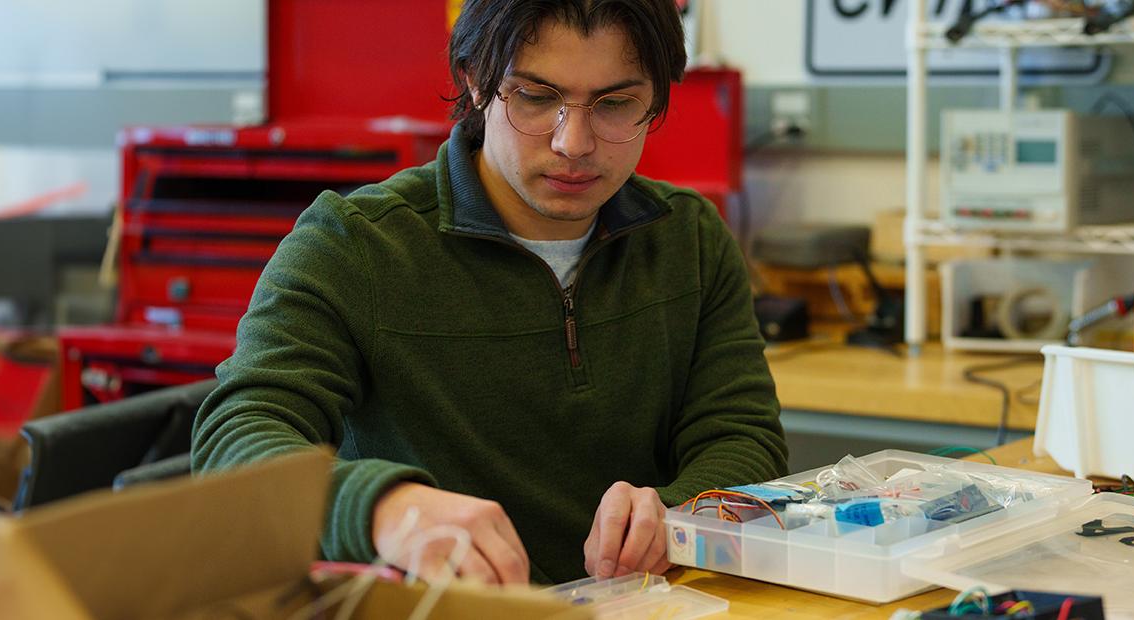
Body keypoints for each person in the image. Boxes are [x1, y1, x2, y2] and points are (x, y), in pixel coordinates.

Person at [192, 0, 787, 586]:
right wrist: (385, 508)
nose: (573, 142)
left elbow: (743, 435)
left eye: (616, 104)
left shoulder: (690, 238)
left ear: (656, 98)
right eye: (535, 96)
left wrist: (680, 512)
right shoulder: (355, 244)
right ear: (477, 83)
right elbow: (234, 438)